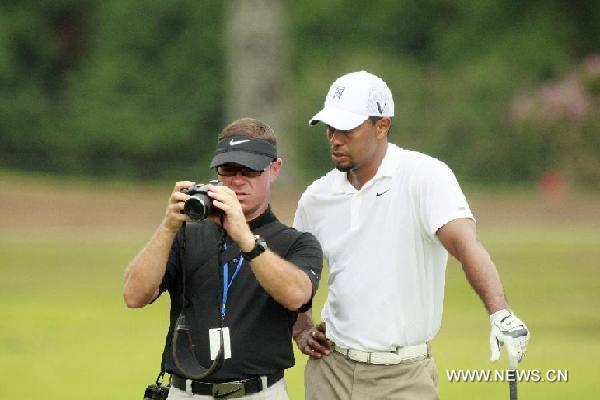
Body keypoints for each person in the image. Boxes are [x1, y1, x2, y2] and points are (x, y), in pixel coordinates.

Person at [292, 71, 530, 399]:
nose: (335, 138)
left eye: (347, 129)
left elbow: (465, 244)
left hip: (403, 377)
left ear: (382, 125)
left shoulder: (425, 177)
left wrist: (499, 311)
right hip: (330, 371)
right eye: (330, 128)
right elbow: (293, 273)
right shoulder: (316, 197)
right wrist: (301, 328)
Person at [123, 118, 323, 400]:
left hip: (259, 392)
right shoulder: (185, 235)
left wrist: (246, 240)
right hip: (186, 391)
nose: (238, 180)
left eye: (250, 170)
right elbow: (134, 296)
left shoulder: (295, 242)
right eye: (228, 170)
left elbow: (296, 295)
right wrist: (168, 227)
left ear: (274, 169)